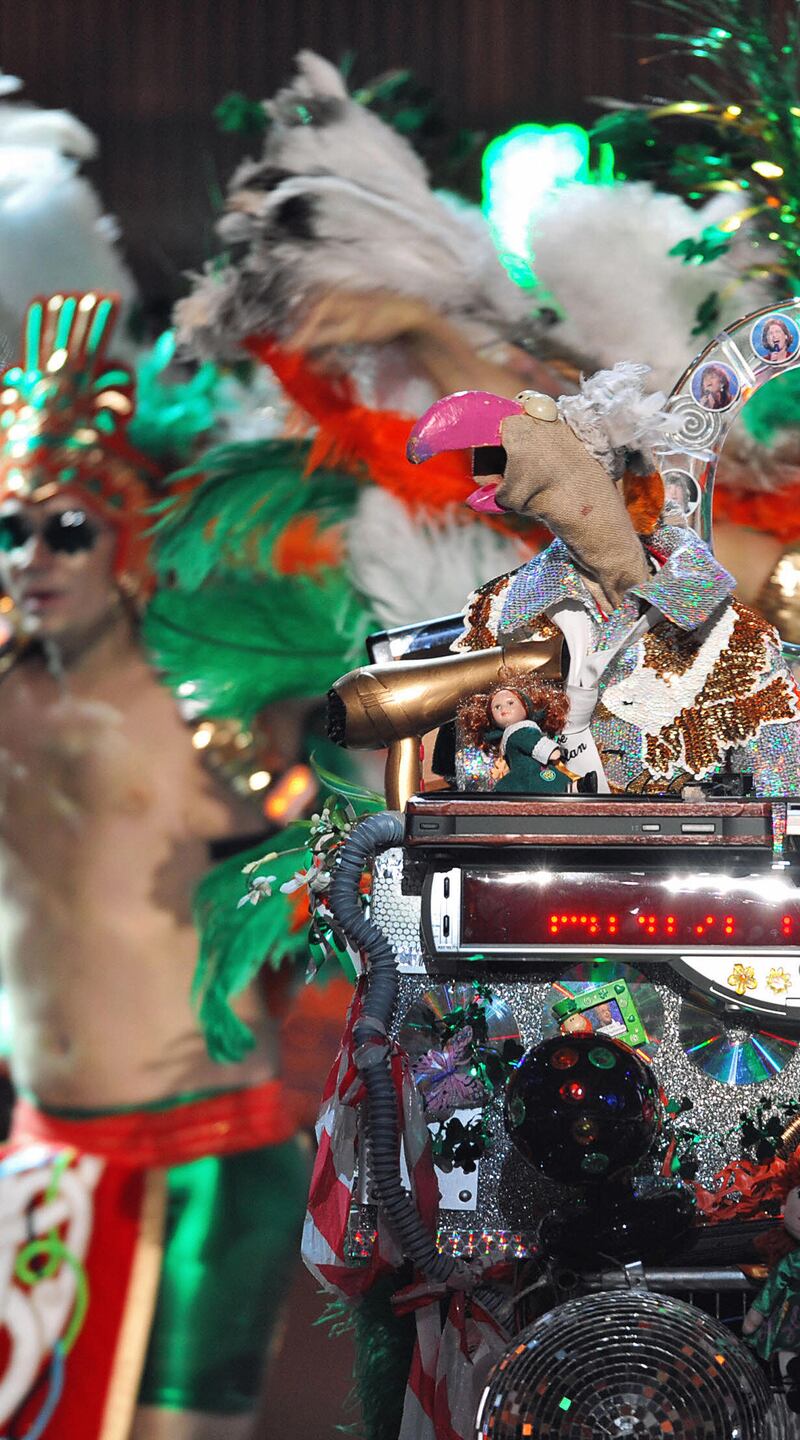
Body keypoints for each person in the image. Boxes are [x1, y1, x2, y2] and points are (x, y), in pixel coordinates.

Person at [0, 293, 309, 1440]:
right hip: (40, 1158)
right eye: (12, 530)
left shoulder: (219, 696)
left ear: (125, 538)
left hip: (205, 1163)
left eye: (67, 530)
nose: (34, 558)